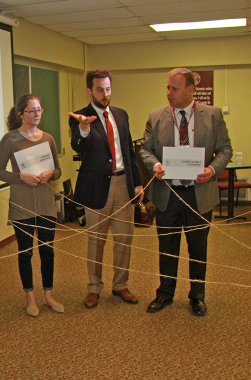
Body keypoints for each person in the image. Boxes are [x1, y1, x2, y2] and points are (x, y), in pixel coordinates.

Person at [139, 67, 232, 316]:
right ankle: (165, 294)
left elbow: (225, 150)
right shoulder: (156, 116)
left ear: (191, 90)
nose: (169, 92)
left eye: (175, 88)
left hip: (198, 194)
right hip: (168, 193)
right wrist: (155, 165)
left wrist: (212, 170)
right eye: (168, 88)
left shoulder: (212, 115)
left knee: (197, 248)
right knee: (167, 247)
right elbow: (145, 149)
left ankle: (197, 296)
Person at [68, 69, 143, 309]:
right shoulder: (80, 116)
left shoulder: (121, 115)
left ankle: (120, 285)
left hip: (123, 184)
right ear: (90, 91)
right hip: (96, 187)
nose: (105, 94)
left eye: (108, 89)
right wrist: (85, 129)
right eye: (100, 89)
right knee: (96, 240)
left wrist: (138, 182)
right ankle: (93, 288)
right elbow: (78, 146)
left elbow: (129, 151)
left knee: (124, 239)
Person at [0, 93, 63, 317]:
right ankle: (30, 298)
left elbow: (58, 170)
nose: (36, 115)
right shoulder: (10, 139)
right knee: (25, 253)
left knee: (47, 252)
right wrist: (20, 176)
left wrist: (51, 173)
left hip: (45, 203)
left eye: (39, 110)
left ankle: (49, 296)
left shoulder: (48, 138)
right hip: (22, 204)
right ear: (20, 114)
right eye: (32, 111)